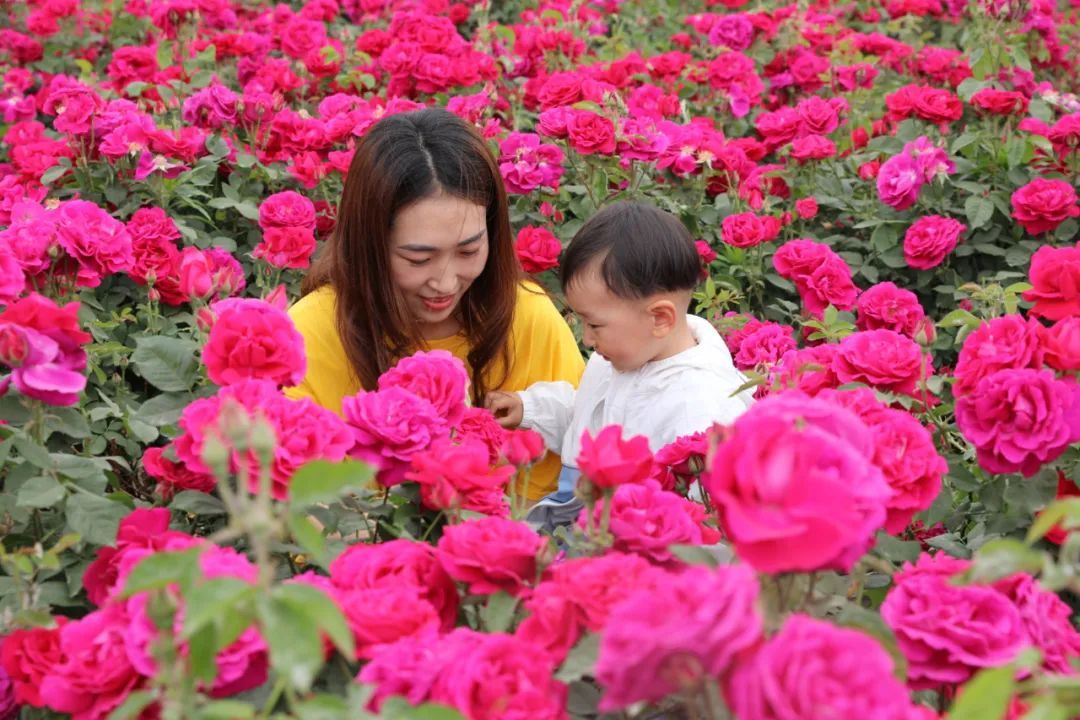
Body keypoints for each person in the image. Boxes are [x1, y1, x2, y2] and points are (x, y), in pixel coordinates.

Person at [286, 107, 585, 501]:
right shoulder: (310, 334)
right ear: (369, 245)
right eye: (418, 259)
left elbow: (584, 464)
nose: (445, 282)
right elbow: (295, 508)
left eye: (469, 250)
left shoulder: (528, 319)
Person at [486, 201, 754, 528]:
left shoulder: (698, 410)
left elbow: (705, 522)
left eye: (594, 325)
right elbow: (585, 421)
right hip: (580, 523)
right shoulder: (624, 354)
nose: (586, 339)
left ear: (660, 318)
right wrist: (531, 410)